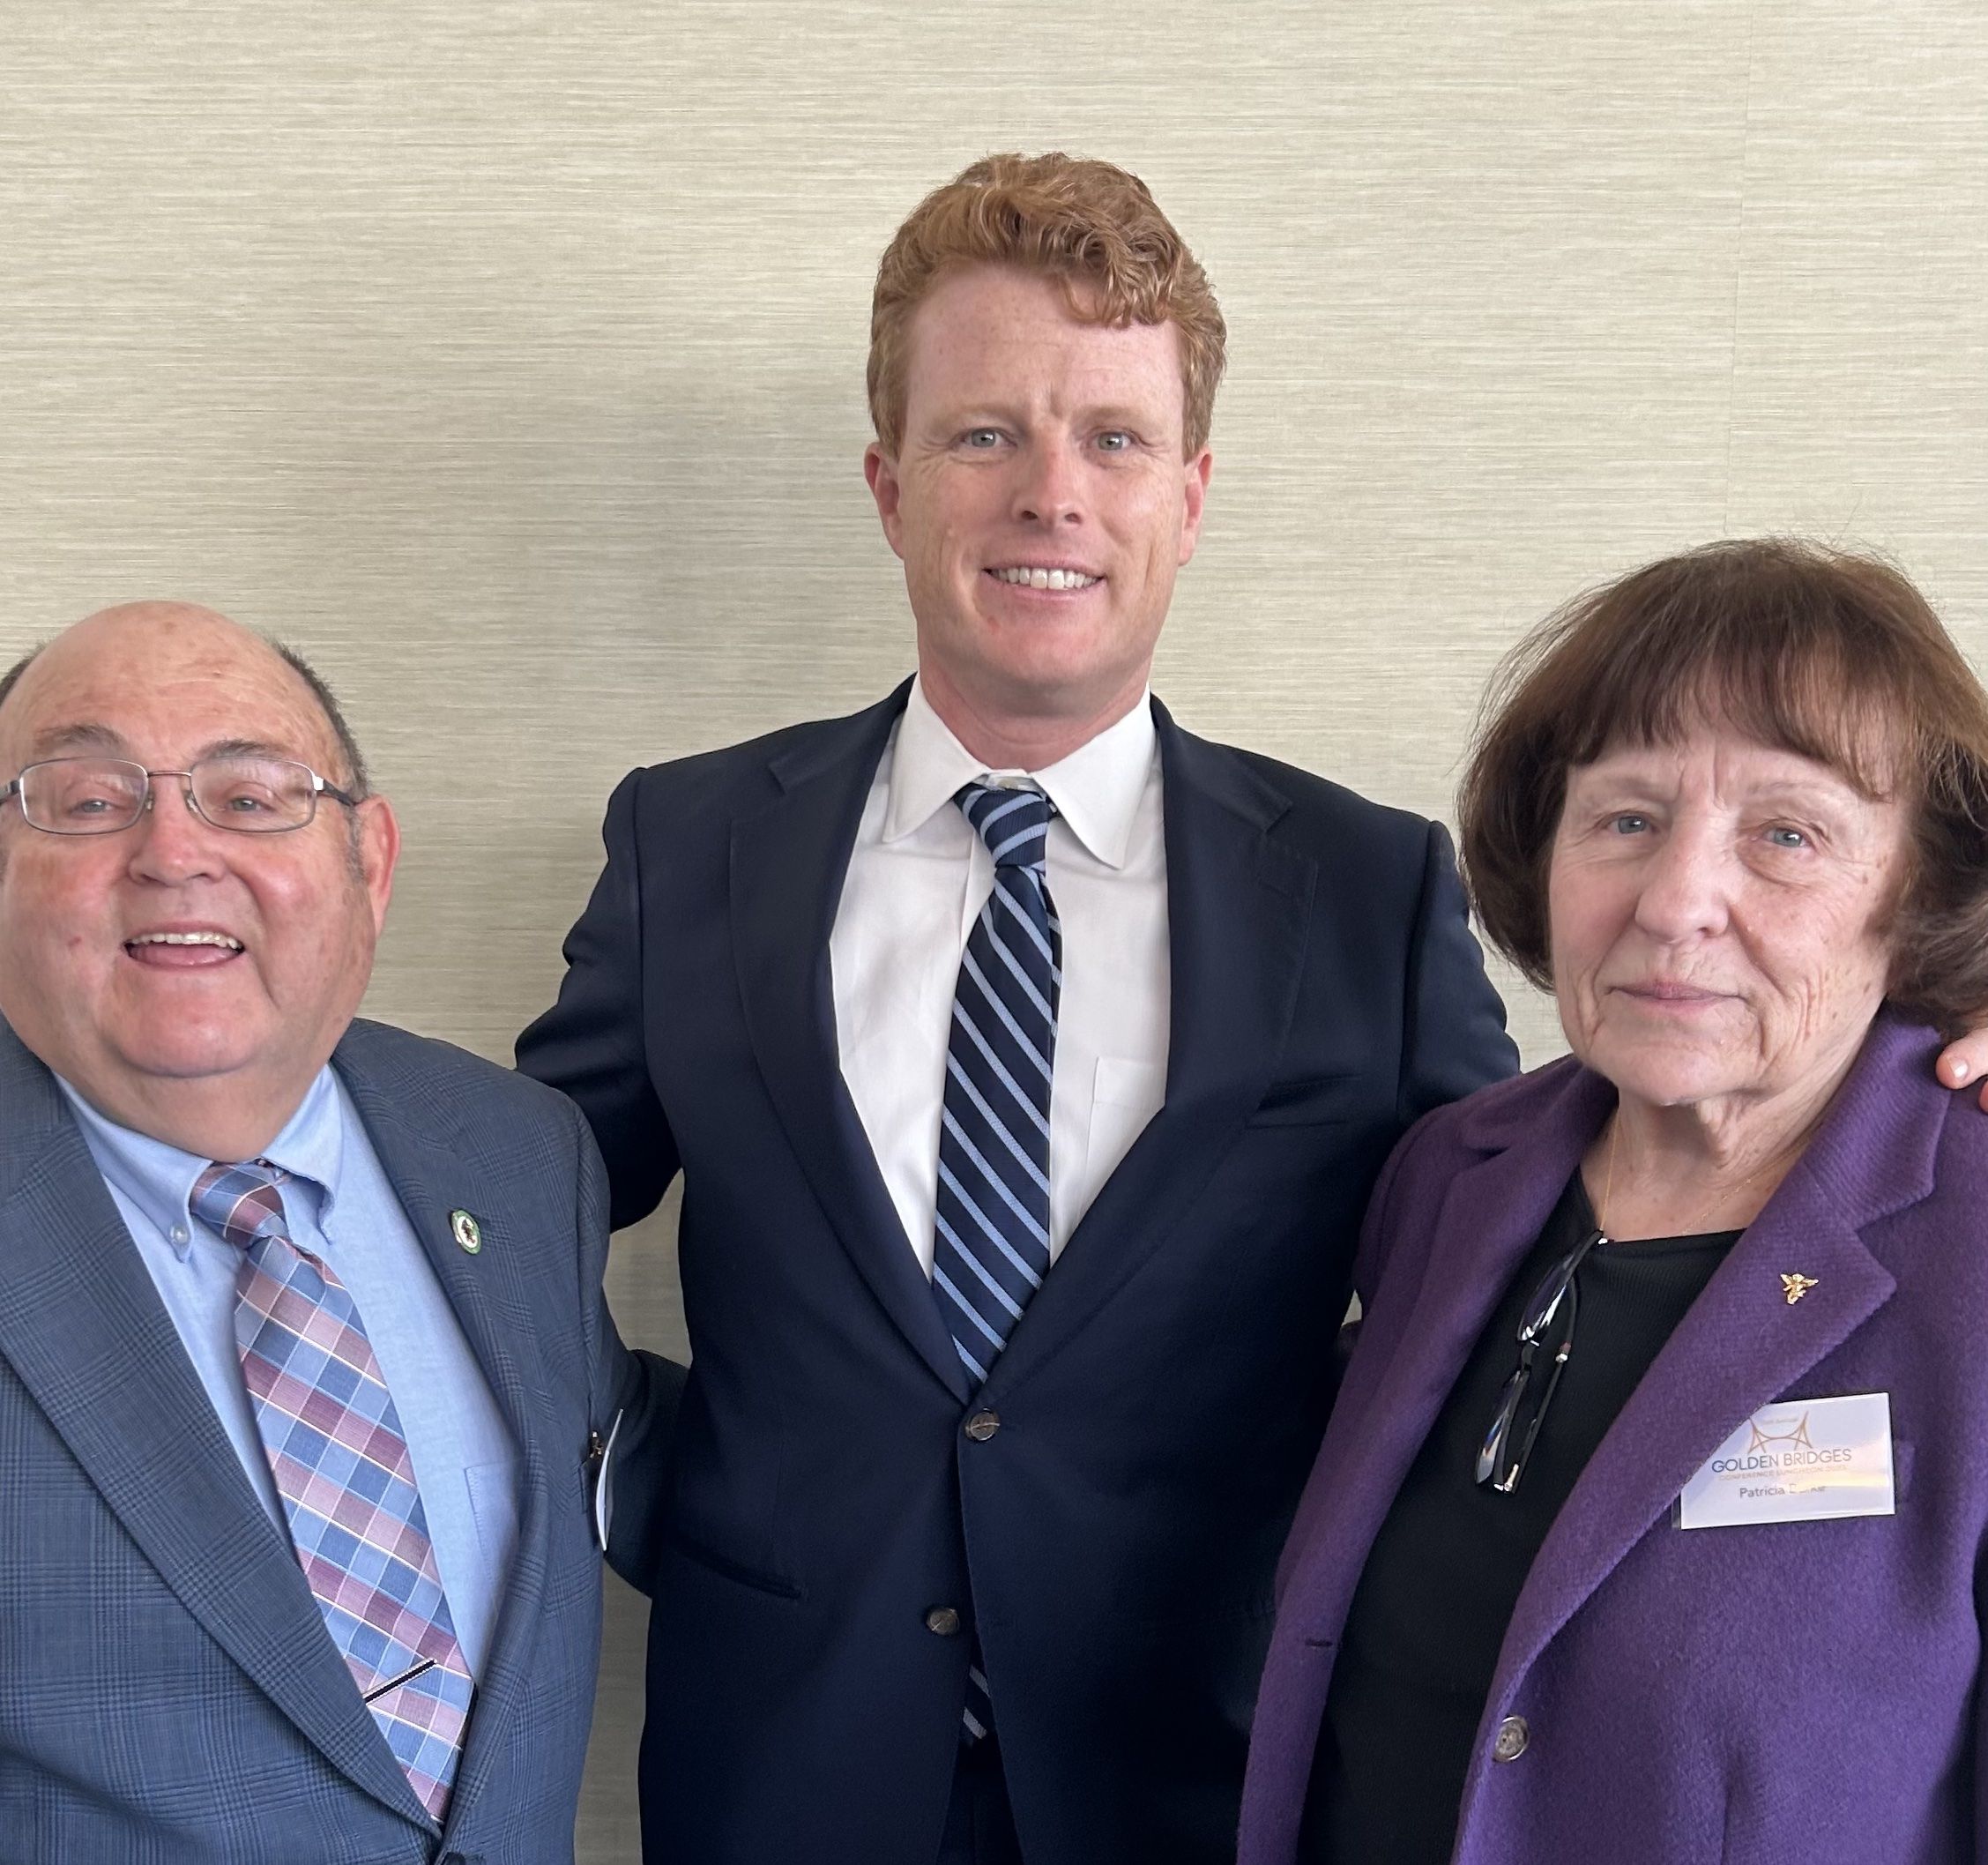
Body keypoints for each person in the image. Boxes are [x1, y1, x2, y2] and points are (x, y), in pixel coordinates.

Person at [515, 153, 1517, 1864]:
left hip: (1205, 1778)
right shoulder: (689, 847)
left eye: (1113, 439)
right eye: (985, 433)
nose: (1051, 493)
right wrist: (649, 1465)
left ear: (1189, 497)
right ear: (890, 483)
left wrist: (1893, 1100)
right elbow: (503, 1211)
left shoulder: (1372, 886)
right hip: (781, 1776)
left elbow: (1518, 1283)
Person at [1240, 539, 1988, 1865]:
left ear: (1918, 894)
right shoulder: (1448, 1179)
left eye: (1787, 833)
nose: (1676, 900)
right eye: (1627, 819)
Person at [0, 602, 674, 1864]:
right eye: (87, 801)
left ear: (369, 863)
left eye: (251, 796)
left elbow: (648, 1462)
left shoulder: (519, 1155)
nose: (174, 850)